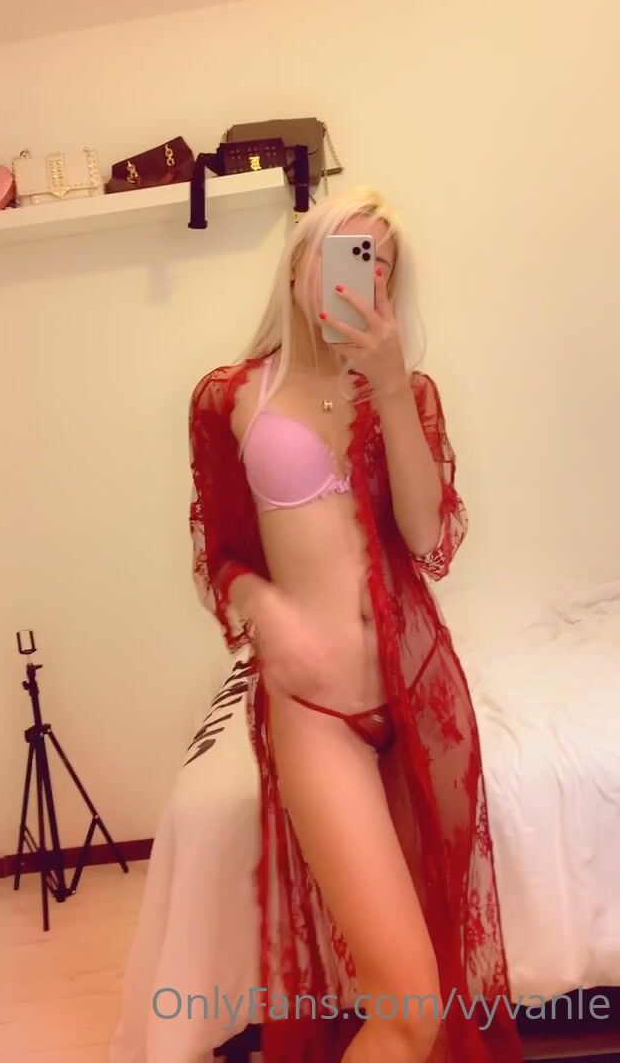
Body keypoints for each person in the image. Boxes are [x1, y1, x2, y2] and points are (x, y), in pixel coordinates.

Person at [188, 187, 523, 1063]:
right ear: (301, 264)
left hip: (419, 696)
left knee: (432, 987)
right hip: (317, 710)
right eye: (342, 252)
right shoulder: (230, 397)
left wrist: (393, 387)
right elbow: (220, 557)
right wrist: (266, 612)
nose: (355, 276)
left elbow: (427, 535)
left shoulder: (406, 392)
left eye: (375, 262)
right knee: (410, 1009)